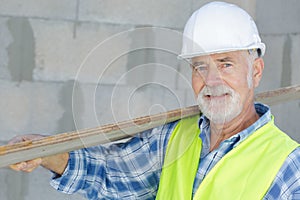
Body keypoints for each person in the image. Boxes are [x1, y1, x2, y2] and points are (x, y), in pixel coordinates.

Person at [9, 1, 300, 199]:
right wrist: (46, 152)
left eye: (226, 64)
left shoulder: (288, 166)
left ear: (256, 71)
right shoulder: (173, 136)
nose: (211, 81)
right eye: (200, 66)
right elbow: (110, 173)